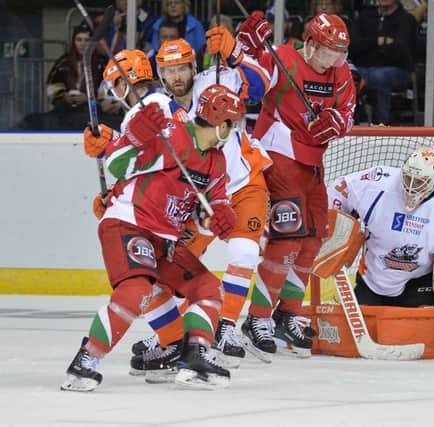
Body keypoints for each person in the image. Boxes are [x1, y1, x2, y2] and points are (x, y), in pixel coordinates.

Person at [61, 76, 246, 390]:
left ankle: (195, 357)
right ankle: (86, 361)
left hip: (165, 241)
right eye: (232, 123)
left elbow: (209, 207)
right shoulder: (172, 137)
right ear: (218, 121)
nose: (234, 130)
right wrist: (134, 137)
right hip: (129, 223)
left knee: (209, 289)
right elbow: (118, 166)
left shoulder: (215, 163)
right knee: (136, 290)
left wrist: (219, 218)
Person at [208, 12, 356, 361]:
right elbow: (251, 84)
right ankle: (256, 319)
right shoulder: (283, 58)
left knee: (312, 240)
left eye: (341, 53)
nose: (336, 60)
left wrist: (338, 123)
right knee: (287, 238)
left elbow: (348, 112)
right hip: (278, 157)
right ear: (311, 43)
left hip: (312, 164)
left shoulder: (342, 73)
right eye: (330, 52)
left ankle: (287, 313)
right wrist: (245, 46)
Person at [123, 35, 272, 373]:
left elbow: (262, 85)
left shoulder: (218, 78)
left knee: (245, 254)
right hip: (199, 200)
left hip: (243, 186)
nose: (176, 76)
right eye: (169, 70)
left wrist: (234, 53)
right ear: (160, 74)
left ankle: (227, 328)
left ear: (194, 67)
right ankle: (176, 336)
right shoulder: (158, 107)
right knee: (174, 274)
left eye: (182, 68)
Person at [326, 146, 434, 314]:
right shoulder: (378, 184)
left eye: (419, 182)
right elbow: (341, 188)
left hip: (419, 284)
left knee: (418, 332)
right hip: (372, 280)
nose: (410, 187)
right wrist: (329, 227)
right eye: (408, 178)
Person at [349, 0, 416, 125]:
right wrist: (377, 41)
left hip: (398, 71)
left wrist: (368, 48)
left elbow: (400, 52)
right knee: (349, 75)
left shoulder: (406, 19)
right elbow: (352, 46)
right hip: (364, 68)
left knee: (378, 76)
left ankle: (382, 124)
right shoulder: (364, 17)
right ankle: (351, 122)